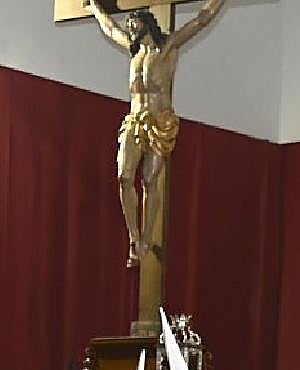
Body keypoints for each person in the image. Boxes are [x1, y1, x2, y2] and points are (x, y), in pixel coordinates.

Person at [90, 0, 225, 267]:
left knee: (150, 181)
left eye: (133, 23)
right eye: (128, 25)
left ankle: (146, 239)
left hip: (159, 121)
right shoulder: (134, 52)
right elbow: (108, 27)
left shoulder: (168, 48)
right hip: (134, 121)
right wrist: (95, 7)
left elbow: (202, 19)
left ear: (146, 24)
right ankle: (133, 236)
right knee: (123, 176)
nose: (129, 28)